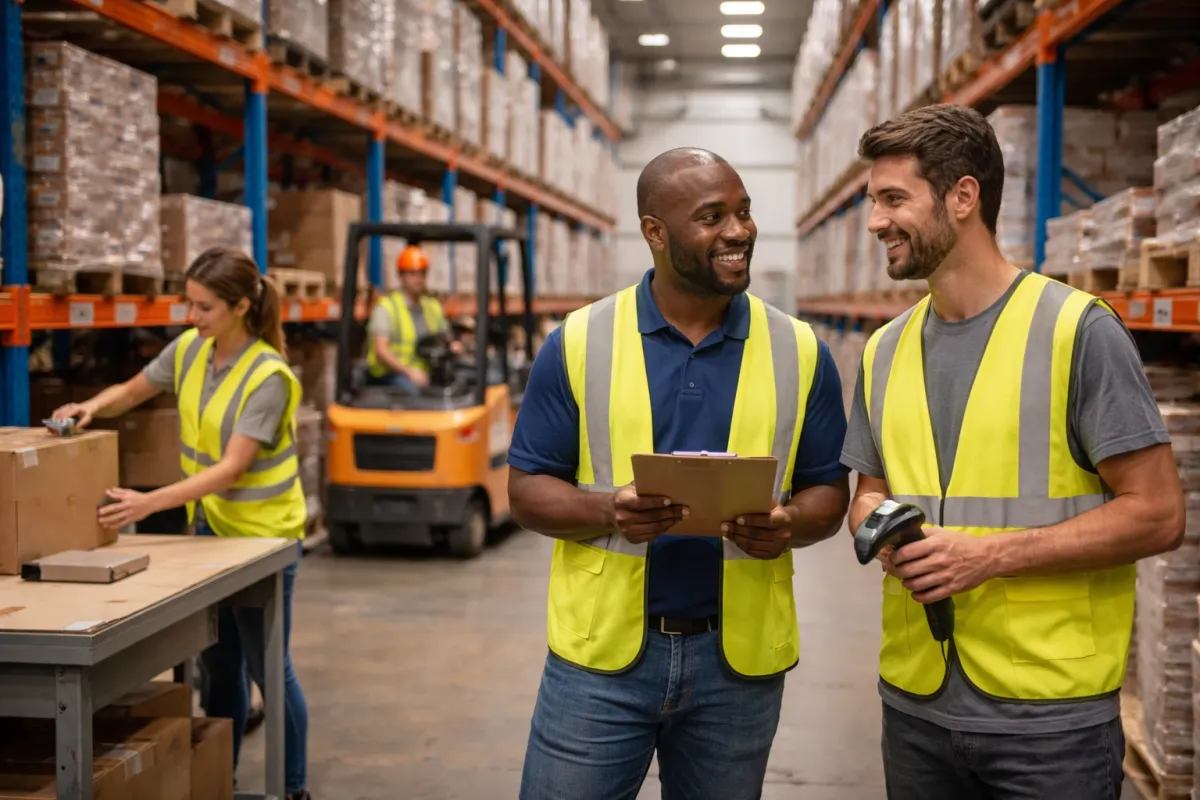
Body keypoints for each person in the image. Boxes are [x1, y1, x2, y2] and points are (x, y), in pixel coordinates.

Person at [841, 104, 1186, 800]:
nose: (875, 221)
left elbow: (1158, 515)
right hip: (915, 702)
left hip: (1048, 721)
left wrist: (987, 555)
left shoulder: (1076, 331)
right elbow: (868, 493)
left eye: (893, 199)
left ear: (963, 197)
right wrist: (875, 526)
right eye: (873, 201)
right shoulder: (885, 350)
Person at [508, 147, 852, 800]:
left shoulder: (800, 350)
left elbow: (828, 493)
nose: (738, 231)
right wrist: (609, 509)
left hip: (738, 665)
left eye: (745, 212)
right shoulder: (580, 342)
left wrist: (789, 524)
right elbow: (526, 493)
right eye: (711, 216)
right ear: (655, 233)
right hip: (602, 664)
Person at [52, 246, 313, 800]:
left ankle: (291, 789)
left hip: (264, 539)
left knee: (269, 667)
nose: (190, 318)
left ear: (241, 306)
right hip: (211, 531)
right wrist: (91, 407)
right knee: (220, 667)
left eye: (204, 308)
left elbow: (231, 469)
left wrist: (148, 503)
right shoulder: (193, 351)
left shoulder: (269, 375)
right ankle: (223, 775)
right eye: (189, 305)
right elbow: (135, 389)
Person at [366, 244, 452, 393]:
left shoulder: (431, 306)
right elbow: (381, 350)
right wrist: (409, 372)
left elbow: (445, 335)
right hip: (392, 374)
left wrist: (454, 344)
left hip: (423, 370)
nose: (418, 279)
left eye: (421, 274)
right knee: (413, 390)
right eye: (412, 274)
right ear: (401, 276)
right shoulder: (387, 308)